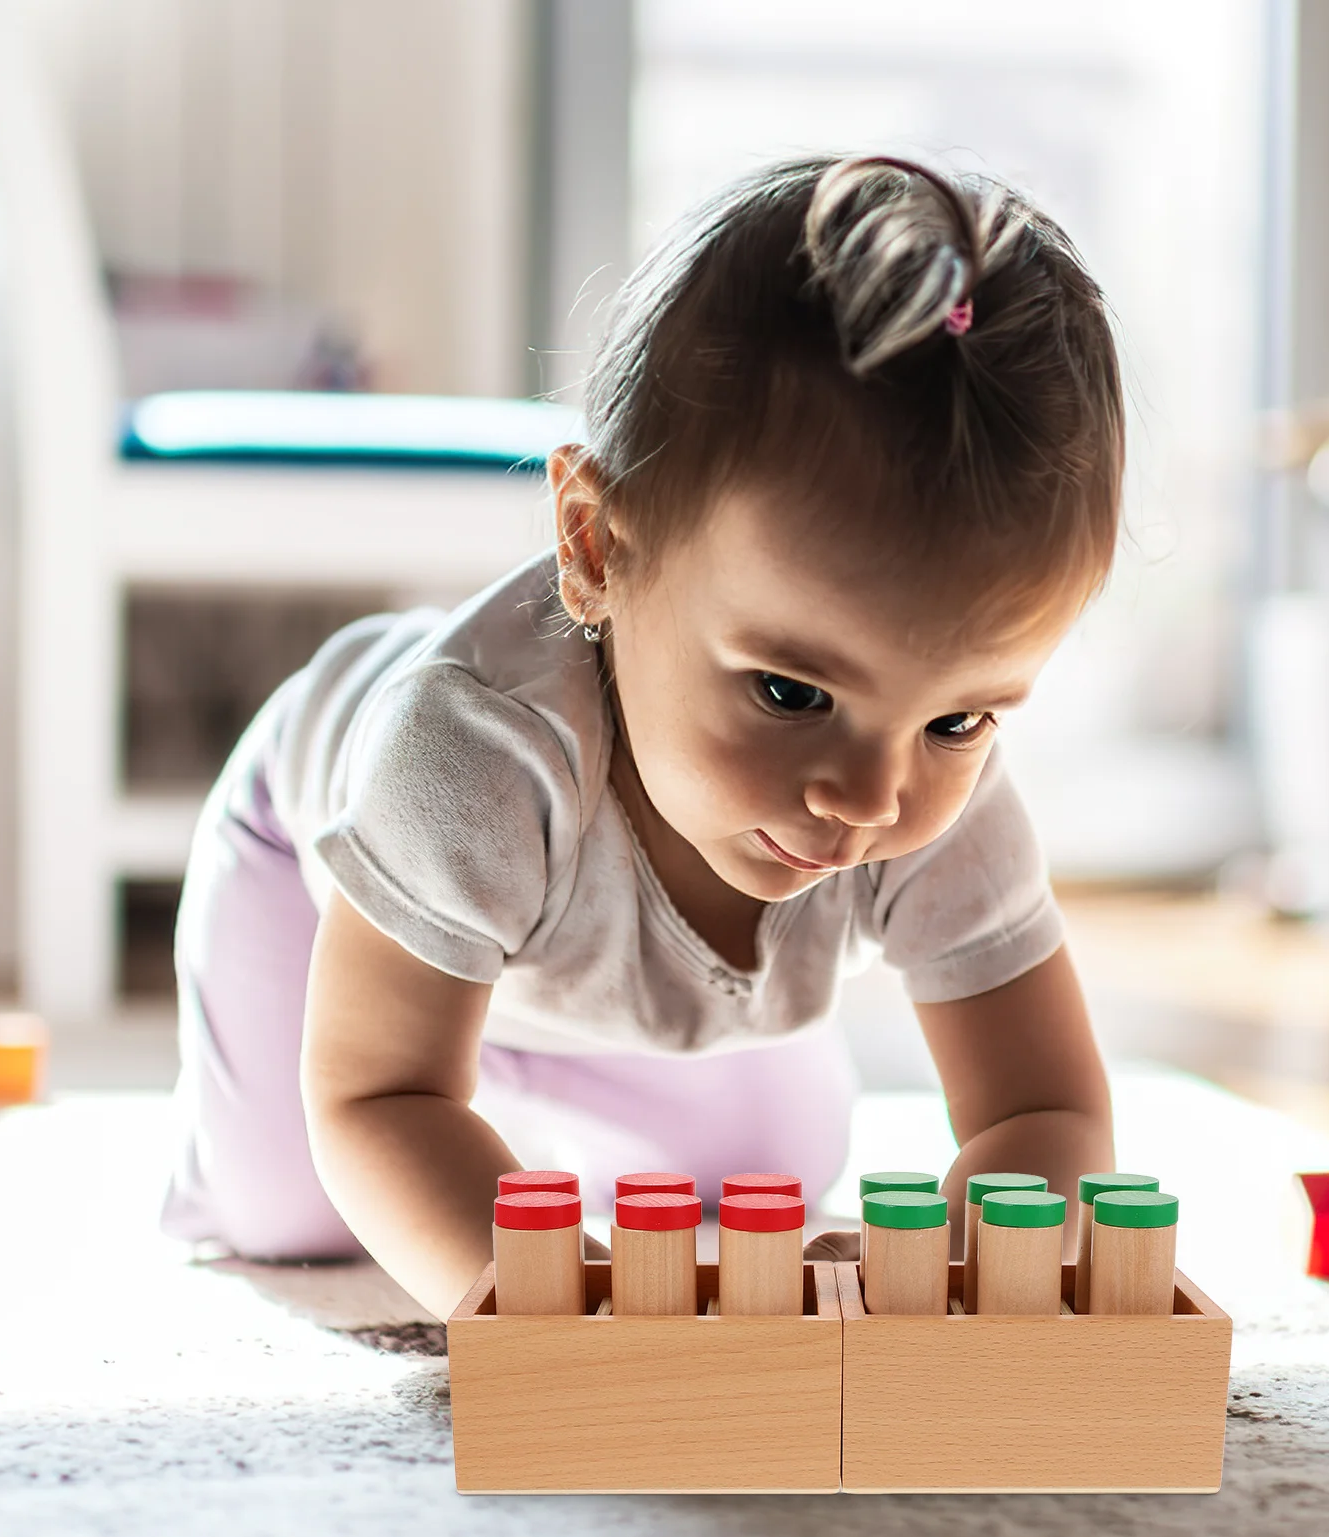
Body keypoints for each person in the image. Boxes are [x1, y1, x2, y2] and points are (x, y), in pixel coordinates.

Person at [160, 155, 1123, 1320]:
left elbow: (1045, 1110)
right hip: (324, 869)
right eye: (790, 693)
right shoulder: (473, 755)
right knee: (295, 1212)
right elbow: (379, 1094)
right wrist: (542, 1304)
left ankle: (535, 1059)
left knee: (770, 1176)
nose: (871, 796)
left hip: (583, 957)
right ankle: (487, 1054)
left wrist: (980, 1277)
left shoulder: (923, 781)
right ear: (595, 547)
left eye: (959, 718)